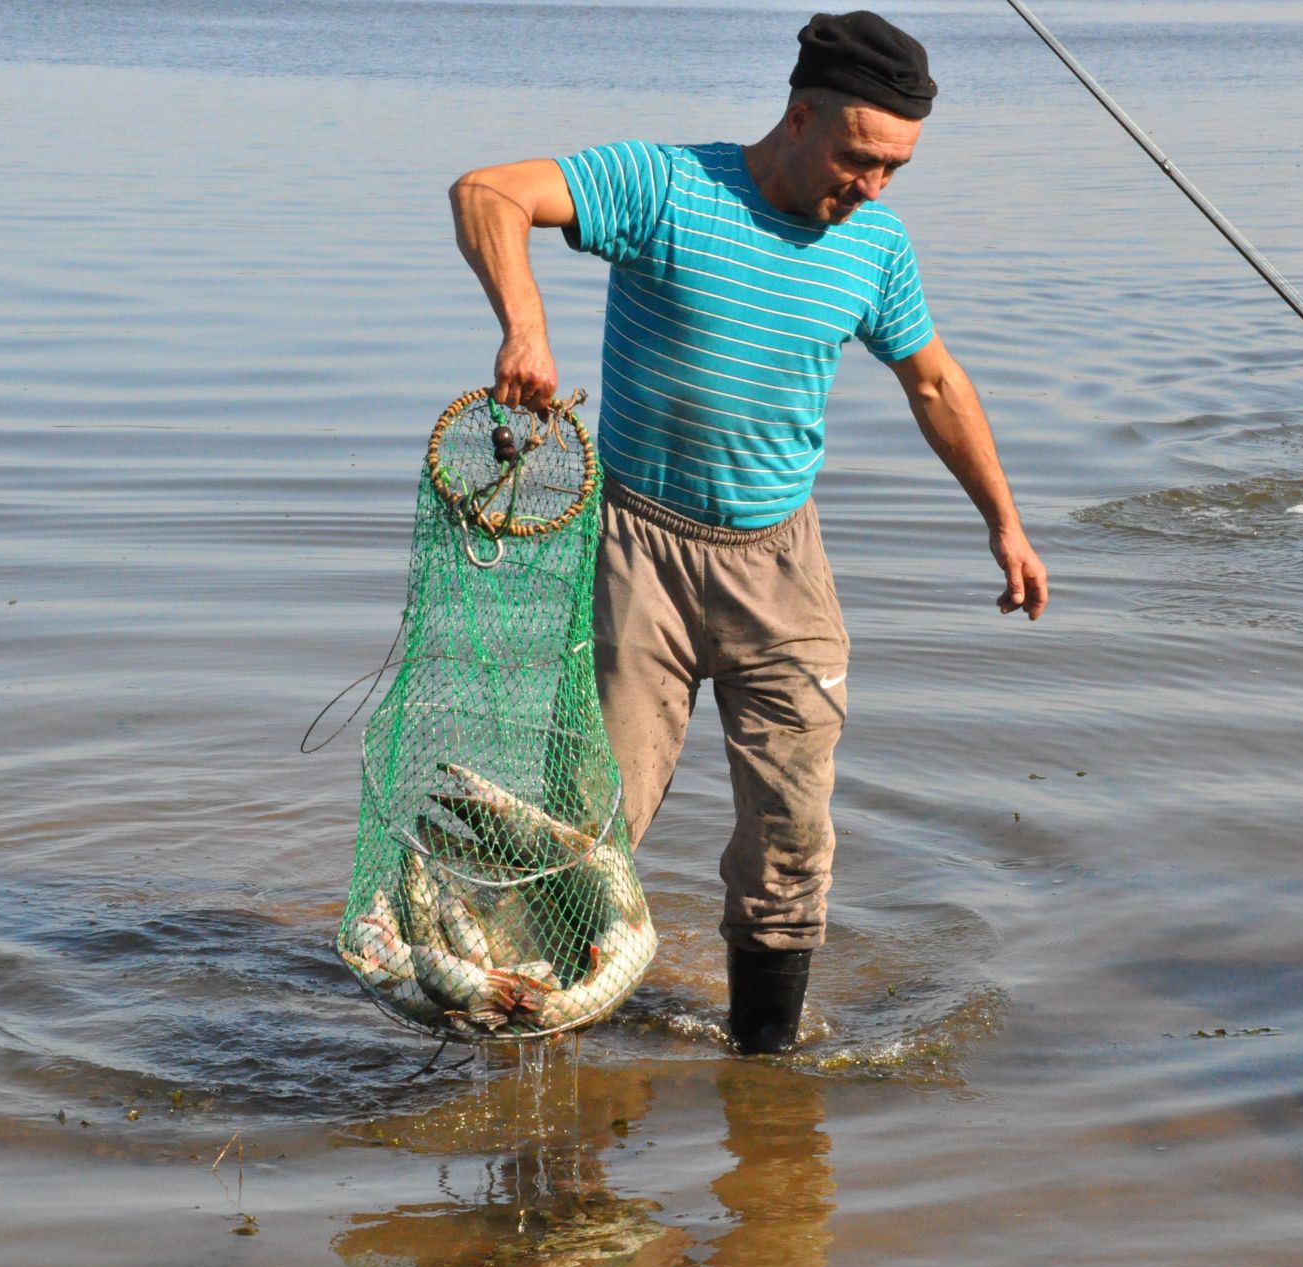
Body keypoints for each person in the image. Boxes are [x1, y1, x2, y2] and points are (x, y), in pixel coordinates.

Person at [449, 10, 1048, 1053]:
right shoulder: (665, 187)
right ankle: (537, 1045)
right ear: (800, 115)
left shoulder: (875, 245)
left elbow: (937, 382)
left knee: (792, 835)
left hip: (782, 564)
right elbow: (488, 191)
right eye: (861, 158)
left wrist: (1006, 525)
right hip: (637, 549)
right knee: (596, 823)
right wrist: (526, 321)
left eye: (897, 168)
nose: (873, 186)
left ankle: (765, 1079)